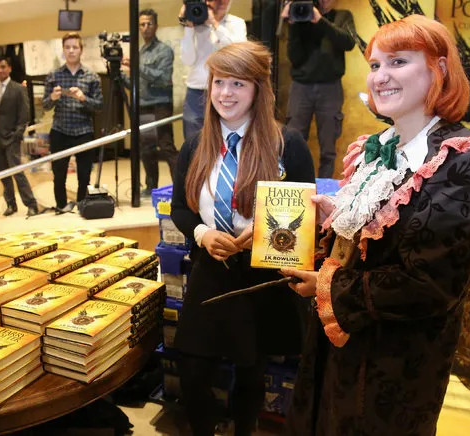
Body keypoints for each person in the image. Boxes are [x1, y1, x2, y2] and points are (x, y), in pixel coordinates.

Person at [281, 15, 470, 436]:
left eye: (398, 62)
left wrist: (326, 285)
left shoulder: (464, 161)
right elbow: (376, 245)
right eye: (375, 65)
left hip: (393, 368)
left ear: (438, 69)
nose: (381, 76)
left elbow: (429, 284)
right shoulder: (374, 150)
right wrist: (335, 228)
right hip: (337, 351)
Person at [171, 41, 315, 436]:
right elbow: (179, 211)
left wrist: (267, 233)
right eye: (219, 82)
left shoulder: (289, 145)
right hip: (210, 270)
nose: (225, 94)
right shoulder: (194, 146)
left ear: (258, 90)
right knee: (193, 367)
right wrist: (202, 233)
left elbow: (305, 215)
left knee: (251, 370)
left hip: (260, 276)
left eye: (238, 84)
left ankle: (244, 430)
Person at [281, 0, 355, 178]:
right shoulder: (300, 17)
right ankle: (293, 185)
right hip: (301, 87)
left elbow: (348, 42)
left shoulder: (342, 15)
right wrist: (291, 25)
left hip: (331, 87)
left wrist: (320, 20)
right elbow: (294, 57)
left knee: (328, 148)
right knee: (293, 139)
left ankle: (324, 189)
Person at [43, 32, 103, 213]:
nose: (71, 51)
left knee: (84, 174)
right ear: (63, 50)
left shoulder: (92, 76)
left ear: (81, 50)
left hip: (84, 131)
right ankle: (61, 206)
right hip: (60, 131)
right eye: (67, 47)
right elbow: (45, 105)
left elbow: (99, 106)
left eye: (75, 47)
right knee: (59, 174)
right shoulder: (54, 75)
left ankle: (83, 206)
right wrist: (52, 97)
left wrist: (84, 98)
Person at [122, 9, 178, 197]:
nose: (145, 28)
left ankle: (180, 187)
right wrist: (120, 75)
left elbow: (162, 78)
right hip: (143, 104)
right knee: (146, 149)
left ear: (156, 25)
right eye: (142, 24)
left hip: (160, 104)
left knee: (166, 146)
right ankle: (151, 187)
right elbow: (138, 84)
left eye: (149, 24)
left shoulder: (164, 50)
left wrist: (137, 65)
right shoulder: (141, 52)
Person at [179, 0, 247, 142]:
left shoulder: (237, 23)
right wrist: (188, 27)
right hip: (197, 91)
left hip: (227, 92)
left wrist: (215, 24)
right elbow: (187, 59)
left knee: (226, 140)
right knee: (193, 142)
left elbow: (239, 54)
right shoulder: (196, 20)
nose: (222, 2)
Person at [0, 56, 39, 217]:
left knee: (18, 172)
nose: (0, 70)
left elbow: (24, 116)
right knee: (3, 174)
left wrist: (17, 135)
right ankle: (10, 204)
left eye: (3, 67)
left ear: (9, 68)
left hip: (11, 138)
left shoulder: (18, 89)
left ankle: (32, 204)